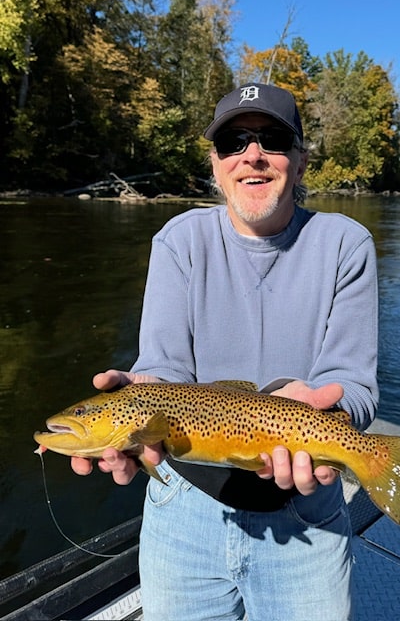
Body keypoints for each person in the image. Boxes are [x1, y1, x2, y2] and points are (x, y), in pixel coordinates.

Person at [72, 82, 378, 621]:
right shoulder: (177, 240)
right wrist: (143, 391)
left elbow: (352, 382)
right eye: (234, 141)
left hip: (306, 503)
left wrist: (329, 413)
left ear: (300, 160)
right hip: (181, 506)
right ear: (215, 164)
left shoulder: (346, 243)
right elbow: (163, 369)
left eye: (272, 139)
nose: (252, 155)